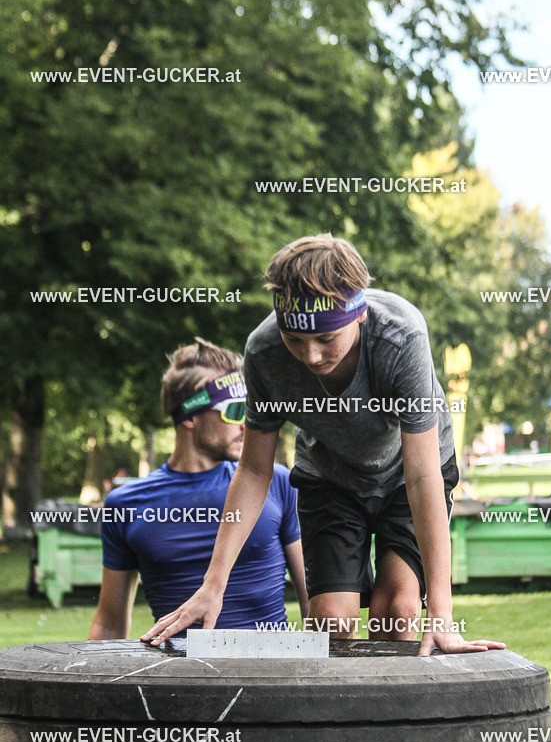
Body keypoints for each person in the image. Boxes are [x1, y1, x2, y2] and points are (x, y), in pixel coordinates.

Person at [142, 234, 504, 657]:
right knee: (330, 620)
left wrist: (440, 614)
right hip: (330, 475)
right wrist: (213, 584)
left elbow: (422, 476)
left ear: (360, 315)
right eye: (295, 341)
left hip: (409, 470)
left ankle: (394, 721)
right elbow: (255, 471)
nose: (311, 357)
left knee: (399, 610)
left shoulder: (401, 338)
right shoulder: (264, 351)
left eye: (326, 339)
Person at [89, 338, 307, 640]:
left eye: (249, 409)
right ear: (189, 416)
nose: (246, 423)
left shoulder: (278, 482)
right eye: (234, 410)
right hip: (179, 680)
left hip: (270, 675)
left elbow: (314, 602)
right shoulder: (126, 504)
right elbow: (110, 623)